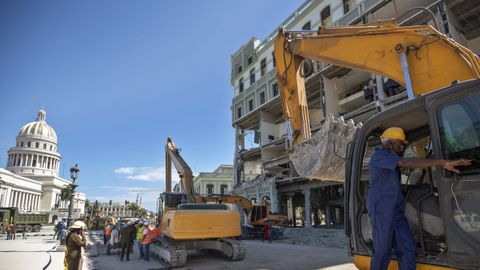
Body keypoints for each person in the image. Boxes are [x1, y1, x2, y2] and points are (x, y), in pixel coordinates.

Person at [367, 127, 471, 270]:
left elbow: (390, 183)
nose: (401, 148)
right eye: (400, 144)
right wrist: (442, 163)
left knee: (408, 248)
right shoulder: (379, 156)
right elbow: (406, 163)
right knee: (382, 251)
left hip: (396, 210)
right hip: (381, 210)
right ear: (390, 143)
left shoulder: (391, 159)